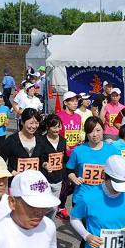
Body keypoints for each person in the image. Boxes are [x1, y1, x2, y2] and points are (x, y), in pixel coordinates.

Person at [66, 117, 120, 248]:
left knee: (95, 234)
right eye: (90, 131)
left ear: (103, 130)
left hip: (104, 200)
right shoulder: (79, 151)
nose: (94, 134)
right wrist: (74, 178)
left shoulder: (112, 150)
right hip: (82, 199)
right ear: (86, 133)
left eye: (98, 130)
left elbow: (119, 171)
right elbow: (69, 169)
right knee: (89, 234)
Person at [54, 91, 85, 220]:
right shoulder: (59, 116)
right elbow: (55, 133)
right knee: (65, 182)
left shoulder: (78, 117)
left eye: (76, 100)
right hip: (63, 154)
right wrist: (63, 145)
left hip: (76, 154)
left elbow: (77, 133)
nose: (75, 103)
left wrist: (80, 141)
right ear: (65, 103)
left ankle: (67, 203)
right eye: (72, 101)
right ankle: (60, 207)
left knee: (76, 182)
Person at [0, 109, 43, 181]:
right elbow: (0, 161)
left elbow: (41, 159)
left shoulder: (40, 140)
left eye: (37, 123)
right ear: (22, 122)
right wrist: (13, 172)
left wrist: (44, 164)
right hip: (16, 183)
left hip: (35, 183)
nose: (34, 126)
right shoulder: (11, 140)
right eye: (31, 123)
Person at [38, 114, 67, 220]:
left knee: (54, 207)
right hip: (44, 179)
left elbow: (64, 159)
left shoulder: (63, 140)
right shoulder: (40, 141)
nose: (57, 130)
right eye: (54, 127)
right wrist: (44, 164)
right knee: (43, 206)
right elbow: (37, 158)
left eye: (59, 127)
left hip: (58, 179)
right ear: (47, 127)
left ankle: (50, 225)